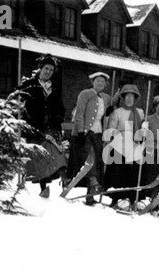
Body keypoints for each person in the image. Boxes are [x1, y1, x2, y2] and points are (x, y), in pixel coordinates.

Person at [19, 54, 67, 198]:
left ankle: (65, 181)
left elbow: (60, 107)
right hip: (35, 126)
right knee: (40, 156)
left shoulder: (55, 87)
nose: (48, 72)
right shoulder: (30, 85)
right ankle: (43, 187)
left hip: (51, 126)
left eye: (51, 70)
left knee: (56, 154)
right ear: (40, 69)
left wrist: (57, 117)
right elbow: (21, 102)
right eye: (46, 68)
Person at [67, 72, 112, 206]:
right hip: (85, 132)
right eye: (98, 81)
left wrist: (118, 95)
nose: (100, 84)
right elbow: (79, 113)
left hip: (98, 132)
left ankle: (90, 196)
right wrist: (80, 131)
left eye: (103, 82)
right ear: (92, 81)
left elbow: (113, 102)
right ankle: (94, 183)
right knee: (89, 159)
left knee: (97, 161)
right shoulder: (85, 94)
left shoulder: (105, 97)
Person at [104, 84, 146, 209]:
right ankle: (116, 198)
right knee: (118, 174)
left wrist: (143, 130)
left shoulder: (140, 112)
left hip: (134, 146)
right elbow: (111, 128)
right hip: (119, 146)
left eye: (131, 97)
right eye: (126, 96)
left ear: (135, 99)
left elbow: (142, 128)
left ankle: (132, 198)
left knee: (133, 174)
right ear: (123, 98)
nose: (129, 99)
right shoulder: (117, 112)